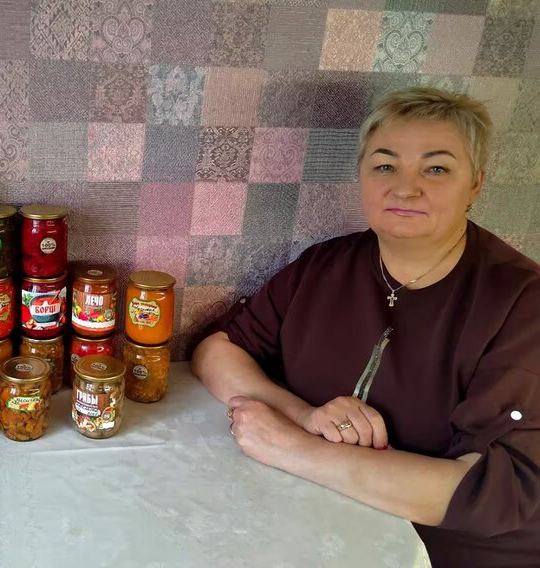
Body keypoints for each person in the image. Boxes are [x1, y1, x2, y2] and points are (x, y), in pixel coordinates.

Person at [191, 87, 540, 567]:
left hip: (445, 553)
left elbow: (494, 492)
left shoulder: (521, 303)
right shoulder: (325, 265)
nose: (405, 188)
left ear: (475, 184)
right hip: (315, 522)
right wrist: (303, 417)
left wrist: (293, 448)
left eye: (436, 169)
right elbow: (217, 352)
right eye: (385, 165)